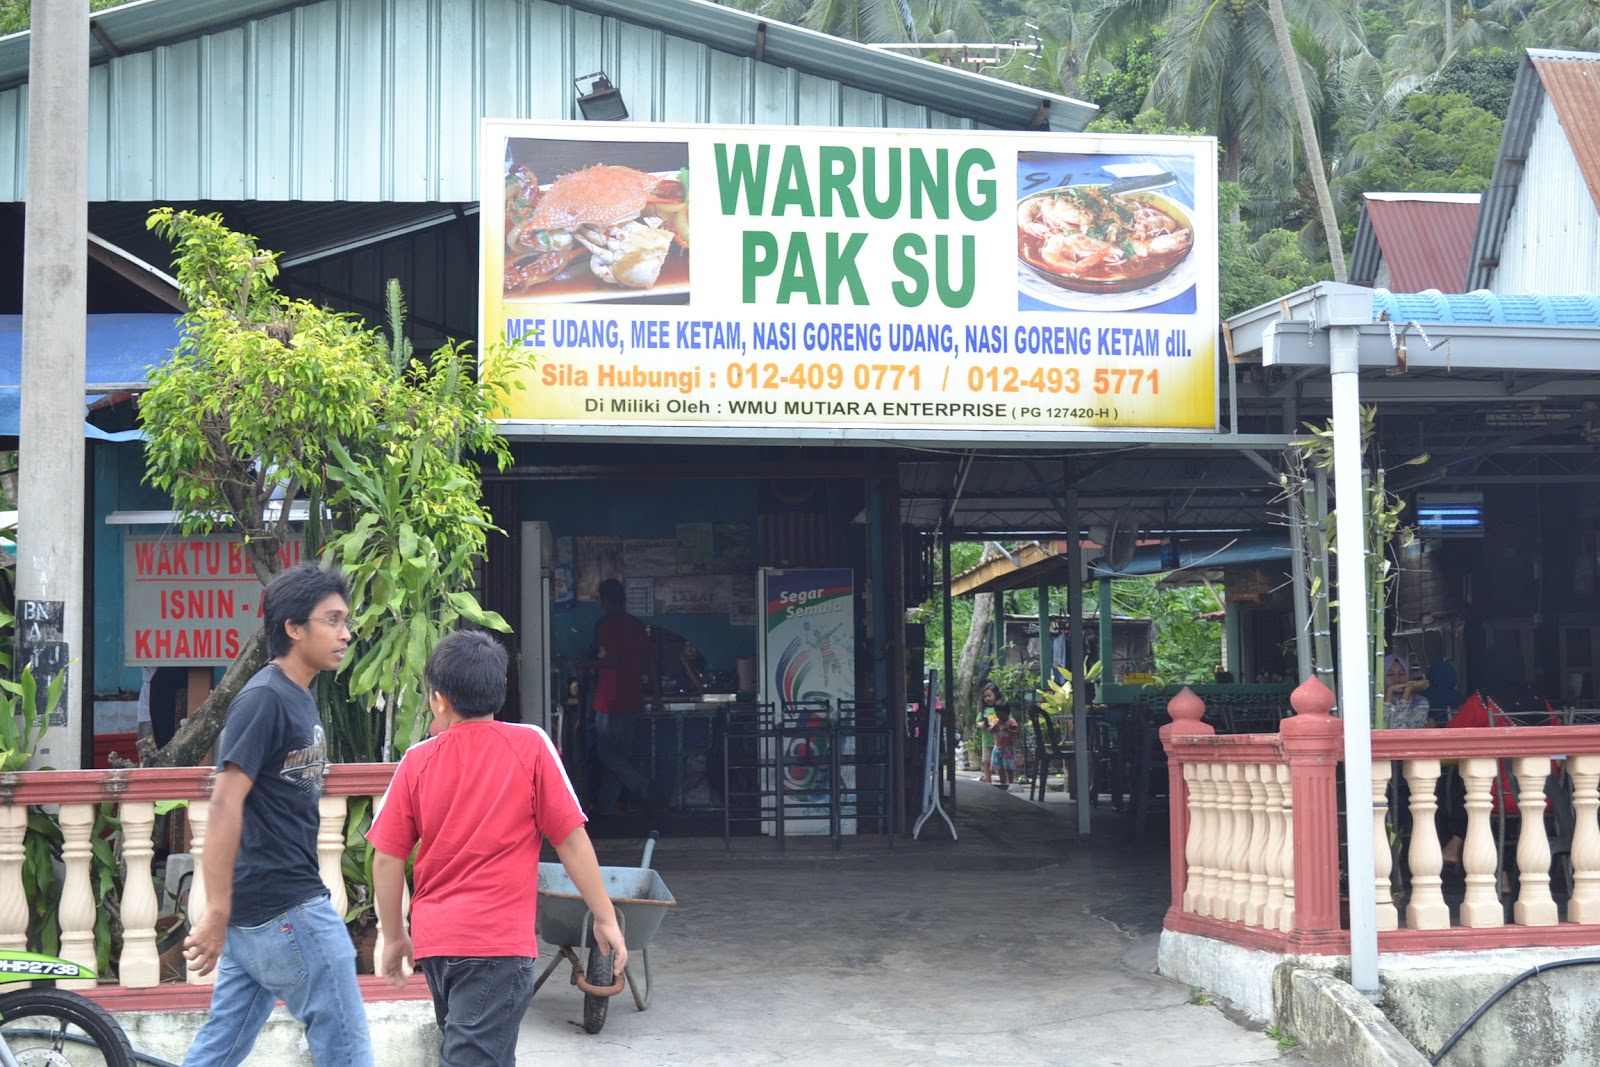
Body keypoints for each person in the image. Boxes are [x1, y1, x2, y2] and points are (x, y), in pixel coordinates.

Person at [367, 630, 626, 1066]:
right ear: (498, 692)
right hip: (497, 946)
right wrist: (603, 917)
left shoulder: (416, 760)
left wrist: (394, 935)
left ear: (438, 700)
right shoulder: (531, 746)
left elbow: (388, 857)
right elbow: (570, 839)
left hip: (438, 945)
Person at [182, 562, 372, 1067]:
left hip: (260, 912)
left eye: (345, 621)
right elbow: (224, 801)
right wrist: (217, 910)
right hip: (286, 907)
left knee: (218, 1051)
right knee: (348, 1051)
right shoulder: (264, 698)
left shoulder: (298, 696)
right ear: (293, 627)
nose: (345, 633)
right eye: (332, 620)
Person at [581, 578, 656, 815]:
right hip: (633, 697)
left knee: (605, 753)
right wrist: (657, 695)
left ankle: (640, 785)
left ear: (606, 600)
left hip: (608, 699)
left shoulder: (605, 625)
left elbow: (613, 659)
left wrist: (586, 664)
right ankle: (604, 810)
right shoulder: (636, 625)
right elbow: (650, 661)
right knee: (620, 757)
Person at [1381, 654, 1431, 729]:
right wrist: (1389, 692)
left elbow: (1399, 730)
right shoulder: (1373, 701)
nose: (1397, 679)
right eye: (1390, 674)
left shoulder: (1420, 702)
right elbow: (1382, 728)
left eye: (1402, 674)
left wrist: (1407, 692)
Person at [980, 700, 1021, 789]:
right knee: (999, 767)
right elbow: (991, 731)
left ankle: (1010, 782)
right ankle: (1003, 782)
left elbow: (1017, 732)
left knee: (1009, 767)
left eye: (1002, 714)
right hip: (998, 748)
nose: (1000, 716)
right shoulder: (995, 721)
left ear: (1007, 713)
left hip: (1008, 749)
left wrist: (1008, 730)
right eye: (998, 714)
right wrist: (996, 724)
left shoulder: (1011, 722)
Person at [975, 681, 1003, 784]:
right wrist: (983, 724)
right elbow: (978, 722)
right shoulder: (984, 710)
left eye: (989, 695)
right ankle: (988, 781)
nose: (987, 698)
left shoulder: (1001, 708)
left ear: (996, 695)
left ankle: (1003, 780)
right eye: (985, 696)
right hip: (987, 741)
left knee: (1000, 763)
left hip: (1000, 742)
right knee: (986, 762)